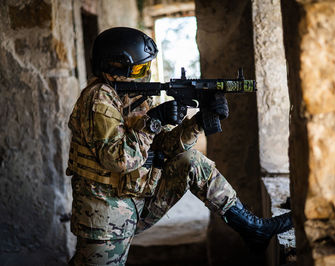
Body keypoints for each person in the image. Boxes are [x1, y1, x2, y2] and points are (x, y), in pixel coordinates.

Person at [67, 27, 292, 265]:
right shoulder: (98, 98)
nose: (145, 75)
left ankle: (252, 228)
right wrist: (153, 121)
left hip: (138, 197)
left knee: (192, 162)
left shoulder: (132, 96)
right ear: (114, 67)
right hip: (105, 212)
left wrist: (198, 123)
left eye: (148, 67)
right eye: (140, 69)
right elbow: (120, 159)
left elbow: (166, 148)